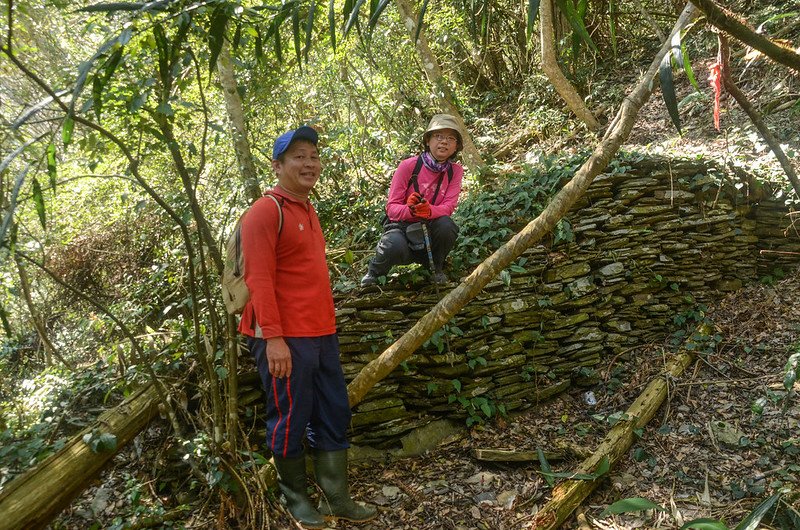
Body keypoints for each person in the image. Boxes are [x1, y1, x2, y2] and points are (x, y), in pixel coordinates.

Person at [238, 126, 376, 529]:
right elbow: (258, 280)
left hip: (320, 332)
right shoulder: (265, 211)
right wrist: (275, 339)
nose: (309, 163)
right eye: (298, 156)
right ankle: (297, 498)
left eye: (313, 156)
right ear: (277, 165)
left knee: (333, 410)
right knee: (289, 417)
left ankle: (336, 497)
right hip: (283, 338)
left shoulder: (307, 208)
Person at [361, 114, 464, 287]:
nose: (444, 142)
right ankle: (375, 272)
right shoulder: (408, 166)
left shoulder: (455, 171)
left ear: (456, 147)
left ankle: (435, 268)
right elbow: (392, 208)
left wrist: (429, 210)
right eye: (438, 136)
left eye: (450, 138)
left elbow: (448, 207)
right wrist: (411, 210)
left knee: (447, 226)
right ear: (428, 140)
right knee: (393, 245)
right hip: (402, 229)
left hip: (430, 228)